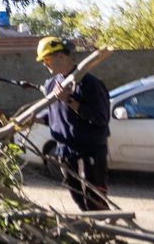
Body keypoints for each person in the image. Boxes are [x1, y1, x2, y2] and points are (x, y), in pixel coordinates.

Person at [36, 36, 111, 211]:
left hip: (90, 149)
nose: (44, 64)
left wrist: (68, 100)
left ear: (61, 56)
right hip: (65, 149)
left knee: (94, 197)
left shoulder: (90, 83)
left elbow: (100, 117)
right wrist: (35, 119)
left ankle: (103, 227)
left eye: (46, 59)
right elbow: (54, 114)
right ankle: (93, 226)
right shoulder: (51, 84)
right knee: (77, 196)